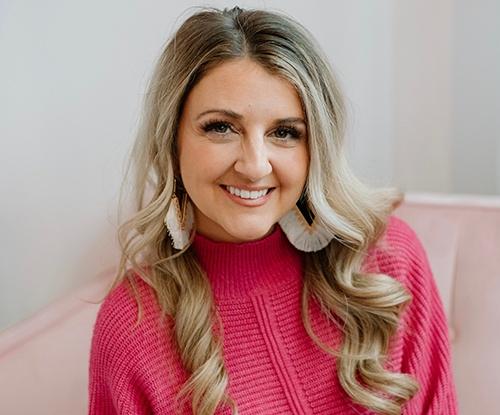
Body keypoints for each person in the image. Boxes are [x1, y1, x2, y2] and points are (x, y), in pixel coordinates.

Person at [88, 6, 458, 415]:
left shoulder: (387, 260)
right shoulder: (131, 326)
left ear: (314, 147)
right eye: (221, 127)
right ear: (172, 138)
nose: (255, 165)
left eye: (284, 133)